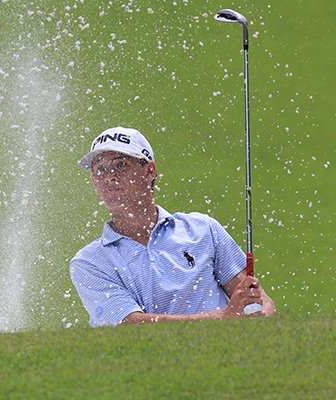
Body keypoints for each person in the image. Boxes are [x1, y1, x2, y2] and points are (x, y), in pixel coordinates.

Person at [70, 127, 276, 326]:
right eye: (100, 170)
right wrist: (224, 318)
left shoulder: (203, 229)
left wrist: (259, 316)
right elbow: (129, 326)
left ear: (149, 171)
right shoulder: (89, 262)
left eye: (121, 164)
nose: (109, 177)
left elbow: (261, 302)